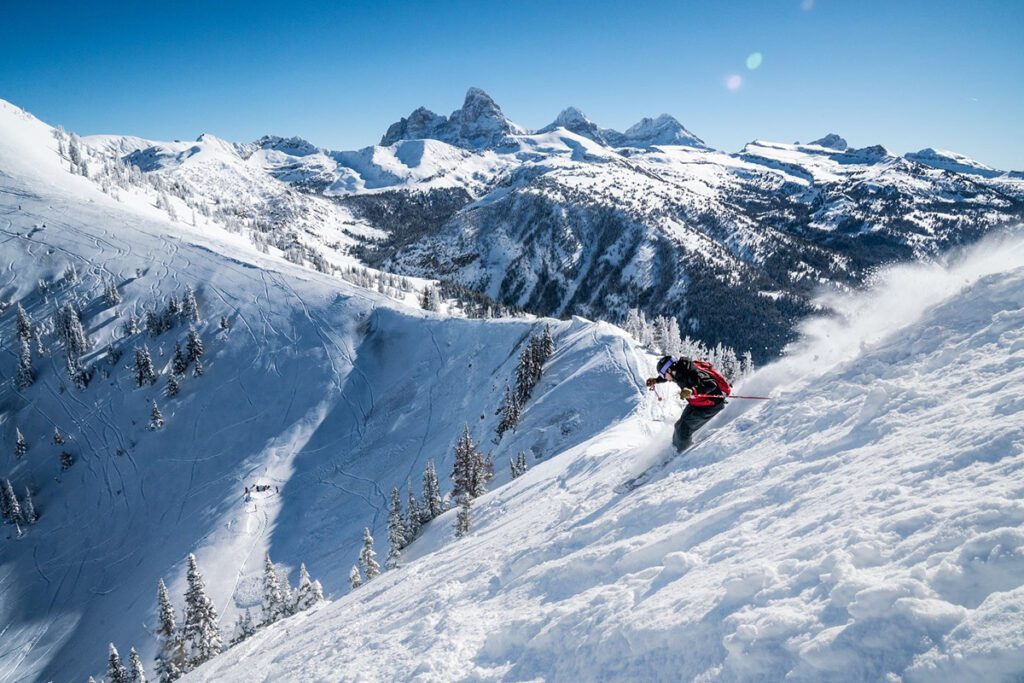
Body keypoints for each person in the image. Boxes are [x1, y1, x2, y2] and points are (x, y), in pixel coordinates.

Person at [646, 355, 729, 452]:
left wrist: (692, 391)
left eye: (662, 374)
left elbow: (711, 384)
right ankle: (676, 449)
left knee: (683, 429)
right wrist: (656, 380)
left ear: (669, 370)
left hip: (710, 405)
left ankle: (684, 454)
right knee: (678, 426)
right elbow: (668, 377)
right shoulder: (678, 371)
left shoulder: (691, 373)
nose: (663, 377)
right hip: (698, 403)